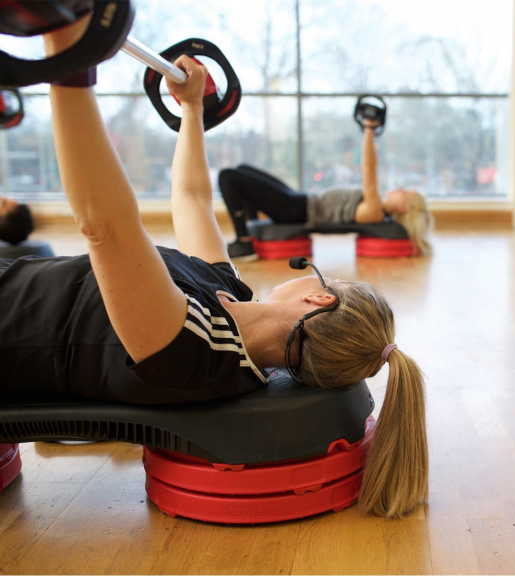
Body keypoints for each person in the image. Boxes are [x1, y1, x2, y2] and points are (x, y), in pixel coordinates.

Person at [0, 19, 427, 519]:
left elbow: (104, 226)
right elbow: (193, 199)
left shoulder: (195, 347)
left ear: (319, 298)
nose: (310, 276)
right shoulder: (229, 295)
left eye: (320, 276)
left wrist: (67, 55)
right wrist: (193, 108)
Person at [219, 120, 434, 261]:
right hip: (300, 202)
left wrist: (369, 130)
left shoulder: (375, 209)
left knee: (228, 177)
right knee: (242, 170)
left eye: (403, 192)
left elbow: (368, 167)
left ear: (404, 208)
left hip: (297, 211)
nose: (398, 188)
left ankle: (244, 243)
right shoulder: (375, 207)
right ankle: (252, 228)